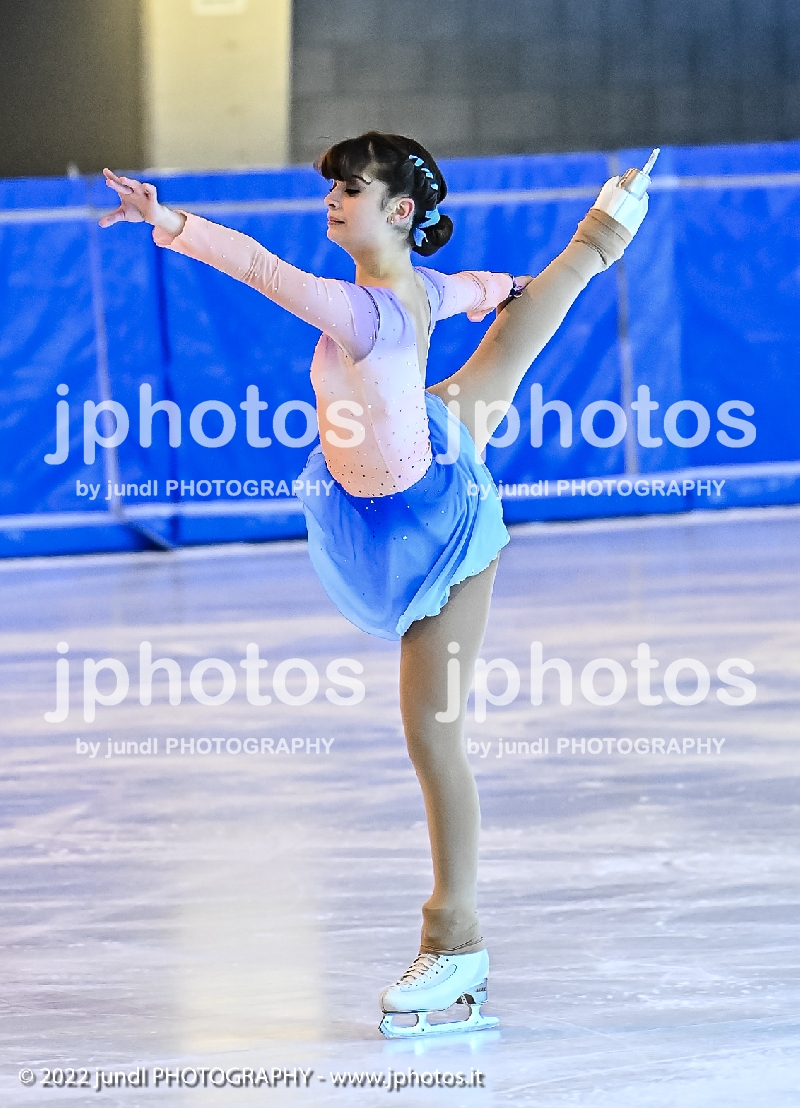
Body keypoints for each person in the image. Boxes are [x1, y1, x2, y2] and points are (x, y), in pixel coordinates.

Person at [100, 131, 647, 1038]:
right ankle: (603, 233)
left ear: (398, 210)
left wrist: (173, 223)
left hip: (437, 522)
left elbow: (261, 269)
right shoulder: (419, 290)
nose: (332, 199)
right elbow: (474, 291)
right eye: (331, 189)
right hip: (424, 442)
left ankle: (456, 942)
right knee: (509, 344)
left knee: (434, 736)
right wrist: (507, 286)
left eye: (348, 189)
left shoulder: (364, 312)